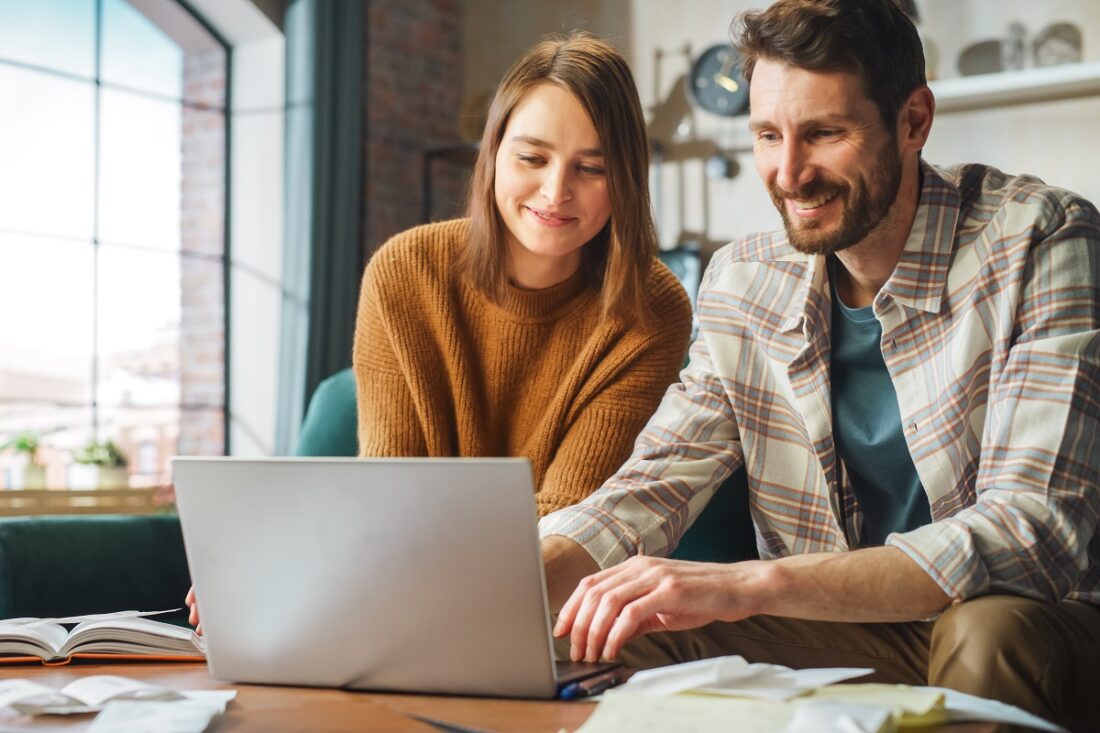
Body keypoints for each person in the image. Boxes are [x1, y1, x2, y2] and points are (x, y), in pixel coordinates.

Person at [540, 1, 1100, 730]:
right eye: (768, 135)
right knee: (606, 628)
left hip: (1032, 622)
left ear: (913, 121)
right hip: (841, 628)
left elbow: (1031, 531)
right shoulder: (743, 279)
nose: (789, 172)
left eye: (824, 133)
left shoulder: (1041, 238)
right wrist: (509, 587)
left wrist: (753, 583)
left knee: (985, 632)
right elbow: (654, 482)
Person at [187, 33, 692, 629]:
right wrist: (297, 559)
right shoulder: (406, 272)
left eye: (592, 168)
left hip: (543, 605)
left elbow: (571, 520)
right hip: (406, 592)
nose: (556, 191)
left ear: (627, 178)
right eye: (532, 158)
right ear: (493, 154)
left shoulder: (652, 306)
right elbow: (390, 488)